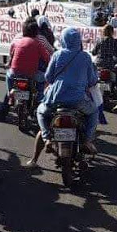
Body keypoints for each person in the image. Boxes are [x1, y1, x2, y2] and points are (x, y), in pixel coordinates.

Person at [34, 27, 98, 158]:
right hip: (78, 101)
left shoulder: (57, 55)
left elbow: (48, 77)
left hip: (55, 100)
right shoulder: (85, 57)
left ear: (63, 40)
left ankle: (47, 139)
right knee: (93, 112)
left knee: (41, 111)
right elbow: (92, 80)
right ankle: (86, 140)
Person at [0, 18, 51, 120]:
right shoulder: (39, 42)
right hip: (31, 74)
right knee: (42, 82)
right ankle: (39, 100)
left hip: (15, 73)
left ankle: (10, 96)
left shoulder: (16, 41)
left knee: (8, 76)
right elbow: (48, 58)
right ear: (36, 31)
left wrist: (8, 65)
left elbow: (11, 57)